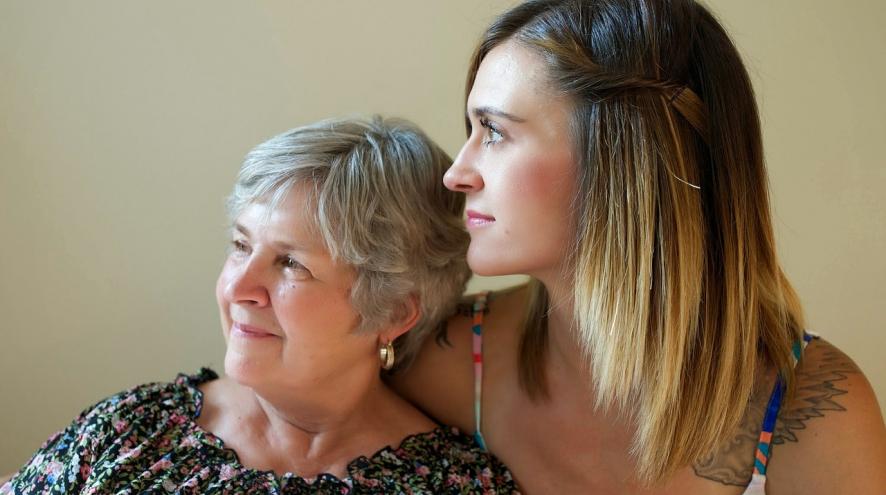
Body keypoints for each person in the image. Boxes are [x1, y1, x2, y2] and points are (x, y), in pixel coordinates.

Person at [391, 1, 886, 494]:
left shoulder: (817, 413)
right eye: (472, 129)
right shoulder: (433, 366)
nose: (456, 174)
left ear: (622, 162)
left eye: (495, 132)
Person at [1, 117, 518, 494]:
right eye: (241, 246)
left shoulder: (454, 484)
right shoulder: (136, 428)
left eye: (292, 264)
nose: (239, 286)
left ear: (393, 312)